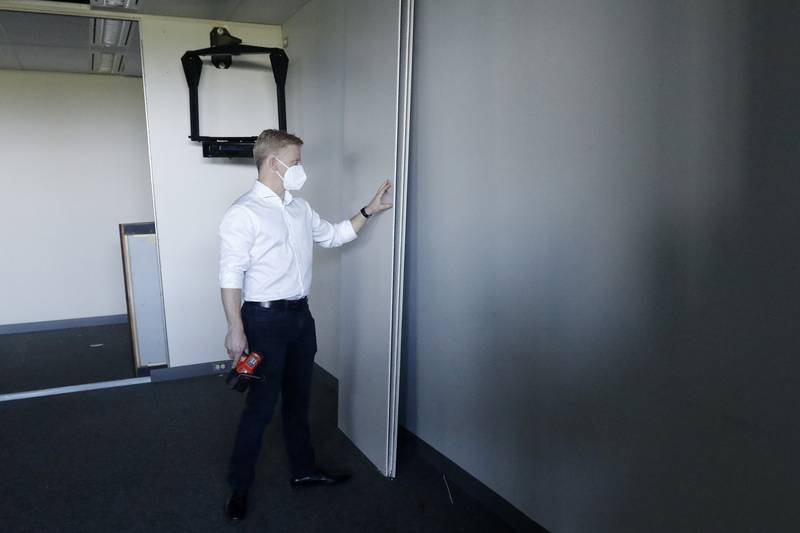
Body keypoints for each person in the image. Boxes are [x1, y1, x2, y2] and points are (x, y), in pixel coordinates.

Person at [218, 129, 393, 523]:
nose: (300, 169)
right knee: (260, 408)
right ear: (272, 162)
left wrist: (367, 211)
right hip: (262, 320)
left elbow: (333, 236)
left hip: (300, 318)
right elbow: (230, 276)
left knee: (299, 401)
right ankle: (239, 486)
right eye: (295, 162)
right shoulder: (242, 213)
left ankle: (304, 470)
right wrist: (235, 328)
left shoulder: (299, 209)